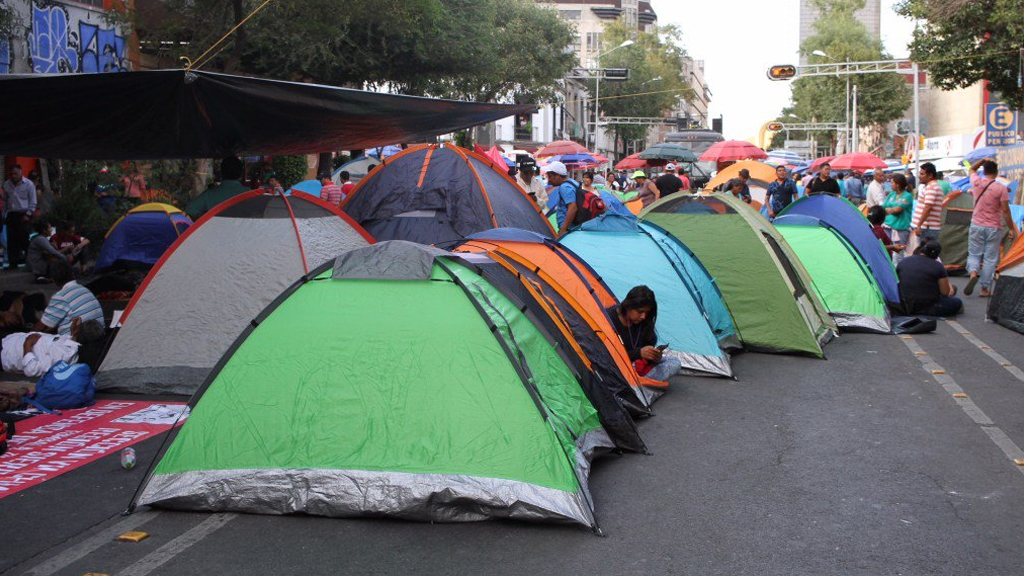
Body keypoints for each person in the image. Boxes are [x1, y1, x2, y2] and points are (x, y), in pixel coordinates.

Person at [958, 158, 1018, 297]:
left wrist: (982, 160)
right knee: (990, 258)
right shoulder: (1000, 188)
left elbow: (972, 169)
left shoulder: (976, 182)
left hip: (976, 225)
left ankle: (973, 272)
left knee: (974, 253)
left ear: (984, 171)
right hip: (994, 227)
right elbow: (1005, 211)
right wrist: (1010, 228)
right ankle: (985, 289)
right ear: (996, 173)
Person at [606, 285, 681, 382]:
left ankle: (639, 384)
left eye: (647, 312)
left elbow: (646, 354)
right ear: (629, 306)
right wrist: (638, 353)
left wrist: (654, 356)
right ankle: (641, 385)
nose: (643, 317)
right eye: (640, 311)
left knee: (674, 362)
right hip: (618, 367)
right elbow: (607, 358)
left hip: (638, 367)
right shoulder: (609, 320)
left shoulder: (644, 322)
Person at [896, 240, 962, 317]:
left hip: (905, 304)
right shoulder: (938, 266)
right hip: (928, 305)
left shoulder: (903, 262)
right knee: (957, 302)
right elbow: (945, 292)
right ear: (937, 255)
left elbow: (897, 281)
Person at [35, 265, 104, 337]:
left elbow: (43, 325)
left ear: (53, 279)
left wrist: (27, 335)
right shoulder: (84, 289)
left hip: (78, 342)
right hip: (98, 337)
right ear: (72, 274)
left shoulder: (61, 296)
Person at [184, 157, 248, 220]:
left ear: (222, 173)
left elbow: (188, 212)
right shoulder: (249, 194)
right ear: (240, 174)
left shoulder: (209, 195)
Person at [0, 330, 80, 378]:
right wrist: (74, 333)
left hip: (6, 354)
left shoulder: (64, 357)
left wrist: (27, 344)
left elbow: (31, 370)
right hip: (9, 340)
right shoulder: (72, 345)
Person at [3, 164, 37, 270]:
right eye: (11, 174)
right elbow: (5, 200)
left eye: (15, 174)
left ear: (21, 173)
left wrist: (28, 214)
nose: (13, 176)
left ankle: (29, 263)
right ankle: (13, 263)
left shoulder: (28, 184)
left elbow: (33, 201)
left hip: (24, 214)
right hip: (12, 214)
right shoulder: (7, 184)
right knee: (12, 240)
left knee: (24, 240)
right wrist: (4, 214)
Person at [882, 173, 914, 262]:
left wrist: (887, 210)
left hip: (901, 228)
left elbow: (898, 210)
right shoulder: (891, 195)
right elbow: (882, 207)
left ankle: (899, 273)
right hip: (888, 227)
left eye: (892, 183)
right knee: (888, 251)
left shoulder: (907, 196)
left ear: (898, 184)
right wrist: (890, 210)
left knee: (899, 253)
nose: (890, 184)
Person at [911, 161, 943, 242]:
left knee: (923, 253)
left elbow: (928, 207)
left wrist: (919, 225)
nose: (919, 176)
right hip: (928, 228)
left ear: (930, 176)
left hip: (926, 228)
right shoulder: (933, 186)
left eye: (922, 174)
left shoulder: (931, 187)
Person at [546, 161, 579, 236]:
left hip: (569, 230)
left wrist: (563, 230)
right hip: (573, 228)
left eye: (550, 176)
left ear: (557, 175)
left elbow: (573, 208)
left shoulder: (565, 187)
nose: (549, 180)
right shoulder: (572, 182)